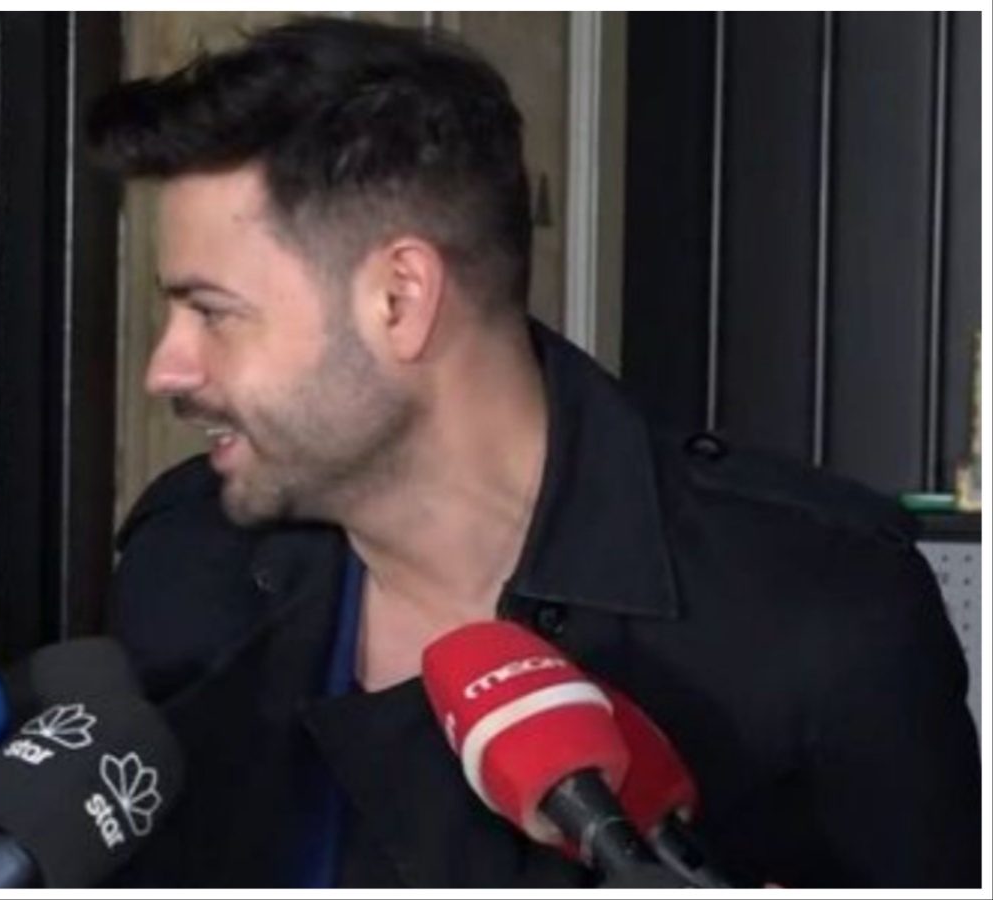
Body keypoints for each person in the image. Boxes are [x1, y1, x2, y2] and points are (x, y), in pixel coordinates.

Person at [86, 16, 980, 888]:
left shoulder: (821, 610)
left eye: (212, 312)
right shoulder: (185, 564)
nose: (167, 369)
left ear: (399, 299)